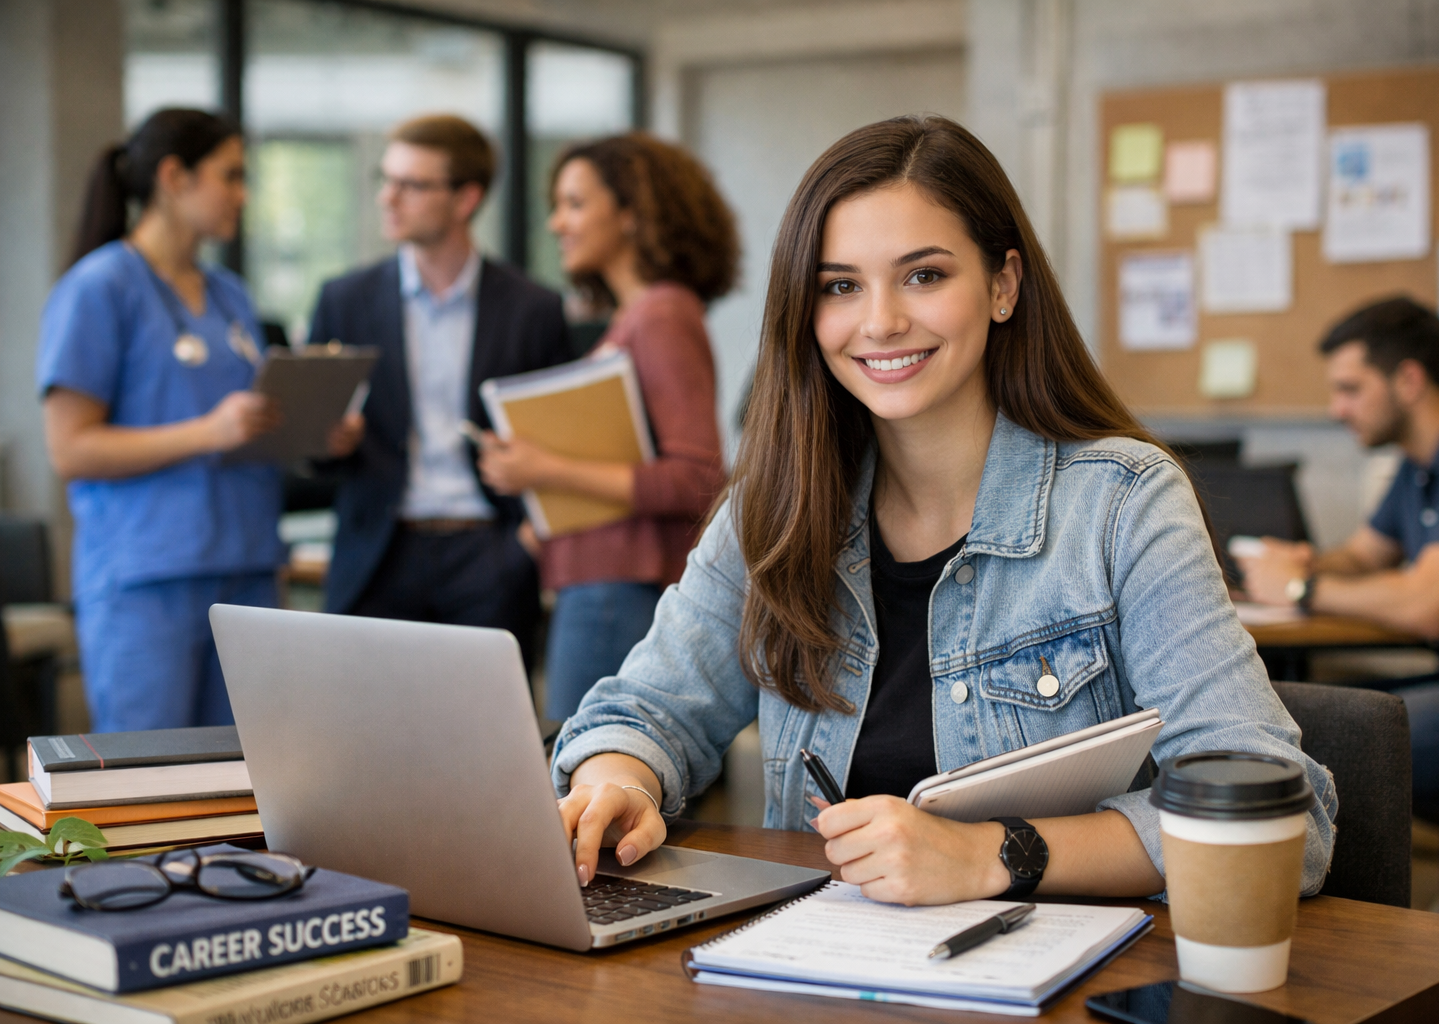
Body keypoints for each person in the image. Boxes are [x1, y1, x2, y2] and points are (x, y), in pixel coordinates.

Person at [548, 115, 1335, 905]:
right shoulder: (775, 507)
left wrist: (993, 855)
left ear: (1003, 286)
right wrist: (621, 775)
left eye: (924, 275)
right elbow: (647, 709)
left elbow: (1281, 818)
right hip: (814, 968)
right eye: (840, 285)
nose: (881, 320)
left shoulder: (1122, 502)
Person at [37, 108, 289, 732]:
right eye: (229, 176)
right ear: (174, 176)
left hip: (246, 572)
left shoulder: (231, 294)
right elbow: (70, 448)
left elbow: (245, 427)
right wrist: (209, 432)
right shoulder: (100, 288)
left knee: (247, 792)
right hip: (147, 580)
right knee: (148, 798)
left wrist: (307, 427)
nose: (241, 194)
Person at [1237, 296, 1439, 805]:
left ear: (1409, 381)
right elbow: (1362, 557)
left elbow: (1429, 606)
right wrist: (1303, 561)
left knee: (1330, 742)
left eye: (1350, 390)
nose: (1337, 410)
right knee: (1284, 720)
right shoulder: (1422, 461)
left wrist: (1299, 586)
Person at [477, 133, 734, 720]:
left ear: (632, 215)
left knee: (585, 785)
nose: (554, 222)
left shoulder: (661, 314)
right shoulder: (636, 316)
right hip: (600, 583)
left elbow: (697, 477)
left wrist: (542, 469)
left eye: (574, 203)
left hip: (617, 590)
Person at [312, 115, 569, 662]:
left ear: (466, 198)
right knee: (362, 738)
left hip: (488, 553)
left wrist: (523, 547)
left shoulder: (534, 308)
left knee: (482, 741)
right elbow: (314, 452)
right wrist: (328, 442)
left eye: (411, 184)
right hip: (379, 553)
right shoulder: (344, 300)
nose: (388, 197)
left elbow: (559, 445)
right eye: (385, 179)